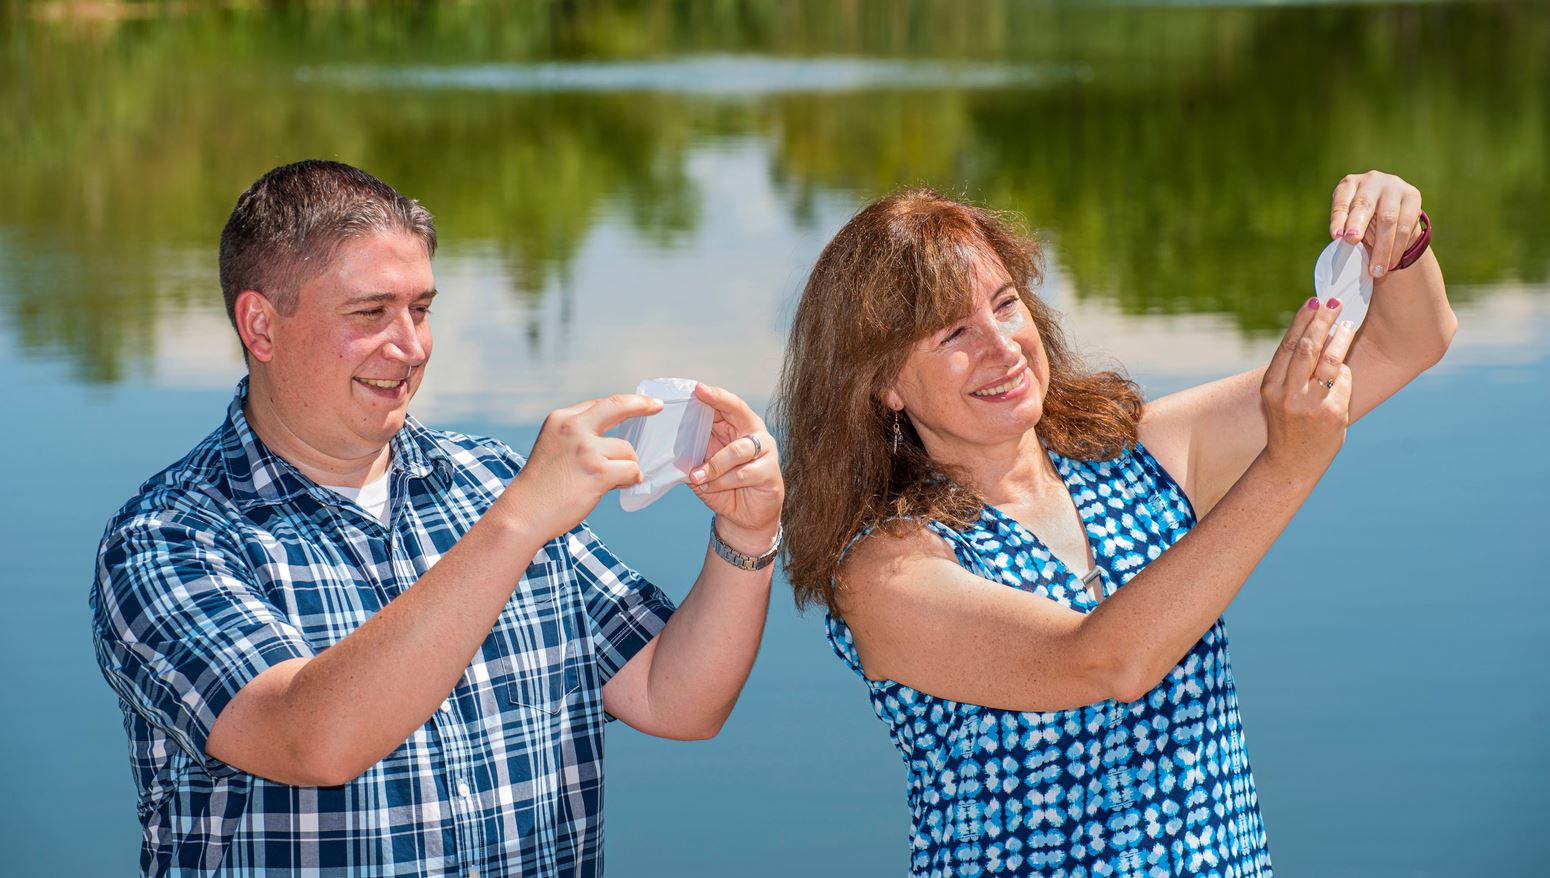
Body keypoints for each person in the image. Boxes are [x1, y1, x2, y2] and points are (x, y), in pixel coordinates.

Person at [90, 160, 783, 877]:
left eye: (420, 309)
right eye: (370, 313)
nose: (412, 347)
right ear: (261, 326)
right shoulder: (167, 539)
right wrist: (514, 527)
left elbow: (676, 699)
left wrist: (746, 537)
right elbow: (311, 740)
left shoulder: (494, 481)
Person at [773, 171, 1453, 876]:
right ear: (882, 383)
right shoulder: (885, 572)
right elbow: (1103, 661)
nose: (1003, 346)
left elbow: (1407, 344)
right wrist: (1286, 468)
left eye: (1006, 305)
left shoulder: (1146, 458)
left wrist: (1396, 247)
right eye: (953, 333)